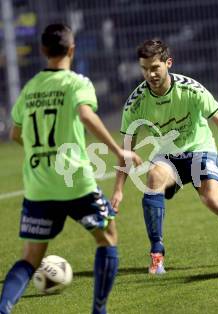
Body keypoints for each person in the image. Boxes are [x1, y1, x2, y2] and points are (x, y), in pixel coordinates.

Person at [0, 24, 141, 314]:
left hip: (39, 185)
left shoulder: (30, 88)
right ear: (72, 49)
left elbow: (15, 134)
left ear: (42, 51)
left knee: (30, 257)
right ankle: (98, 311)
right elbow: (85, 114)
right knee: (107, 238)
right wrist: (118, 151)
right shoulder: (77, 83)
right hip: (75, 181)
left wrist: (40, 153)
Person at [111, 39, 218, 274]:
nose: (149, 74)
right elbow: (126, 149)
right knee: (154, 178)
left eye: (154, 68)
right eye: (144, 69)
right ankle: (157, 254)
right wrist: (118, 189)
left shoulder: (190, 89)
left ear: (168, 63)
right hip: (168, 157)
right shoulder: (136, 102)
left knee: (213, 200)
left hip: (199, 149)